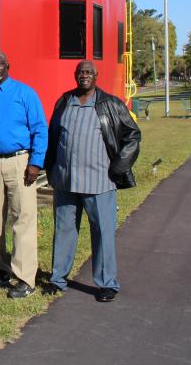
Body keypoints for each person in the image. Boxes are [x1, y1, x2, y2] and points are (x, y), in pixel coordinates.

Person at [44, 60, 141, 302]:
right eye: (81, 72)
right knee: (64, 230)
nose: (84, 75)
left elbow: (132, 135)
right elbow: (53, 136)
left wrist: (119, 166)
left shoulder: (110, 104)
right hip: (66, 181)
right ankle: (58, 279)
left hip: (99, 181)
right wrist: (51, 168)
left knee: (103, 232)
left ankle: (107, 283)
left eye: (89, 72)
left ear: (96, 76)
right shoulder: (65, 101)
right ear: (75, 75)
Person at [0, 50, 48, 299]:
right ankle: (0, 269)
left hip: (20, 162)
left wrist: (35, 163)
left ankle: (25, 277)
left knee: (22, 219)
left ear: (8, 66)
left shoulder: (25, 93)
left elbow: (39, 129)